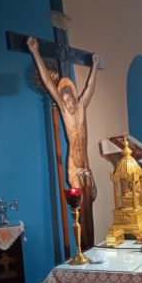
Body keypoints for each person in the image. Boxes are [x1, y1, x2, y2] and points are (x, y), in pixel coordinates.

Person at [27, 36, 99, 249]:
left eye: (69, 96)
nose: (67, 100)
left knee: (89, 207)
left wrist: (94, 66)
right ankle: (82, 249)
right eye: (64, 97)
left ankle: (91, 247)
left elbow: (90, 88)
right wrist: (35, 53)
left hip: (86, 166)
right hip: (74, 166)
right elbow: (49, 84)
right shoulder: (65, 112)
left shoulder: (81, 107)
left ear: (74, 95)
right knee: (79, 209)